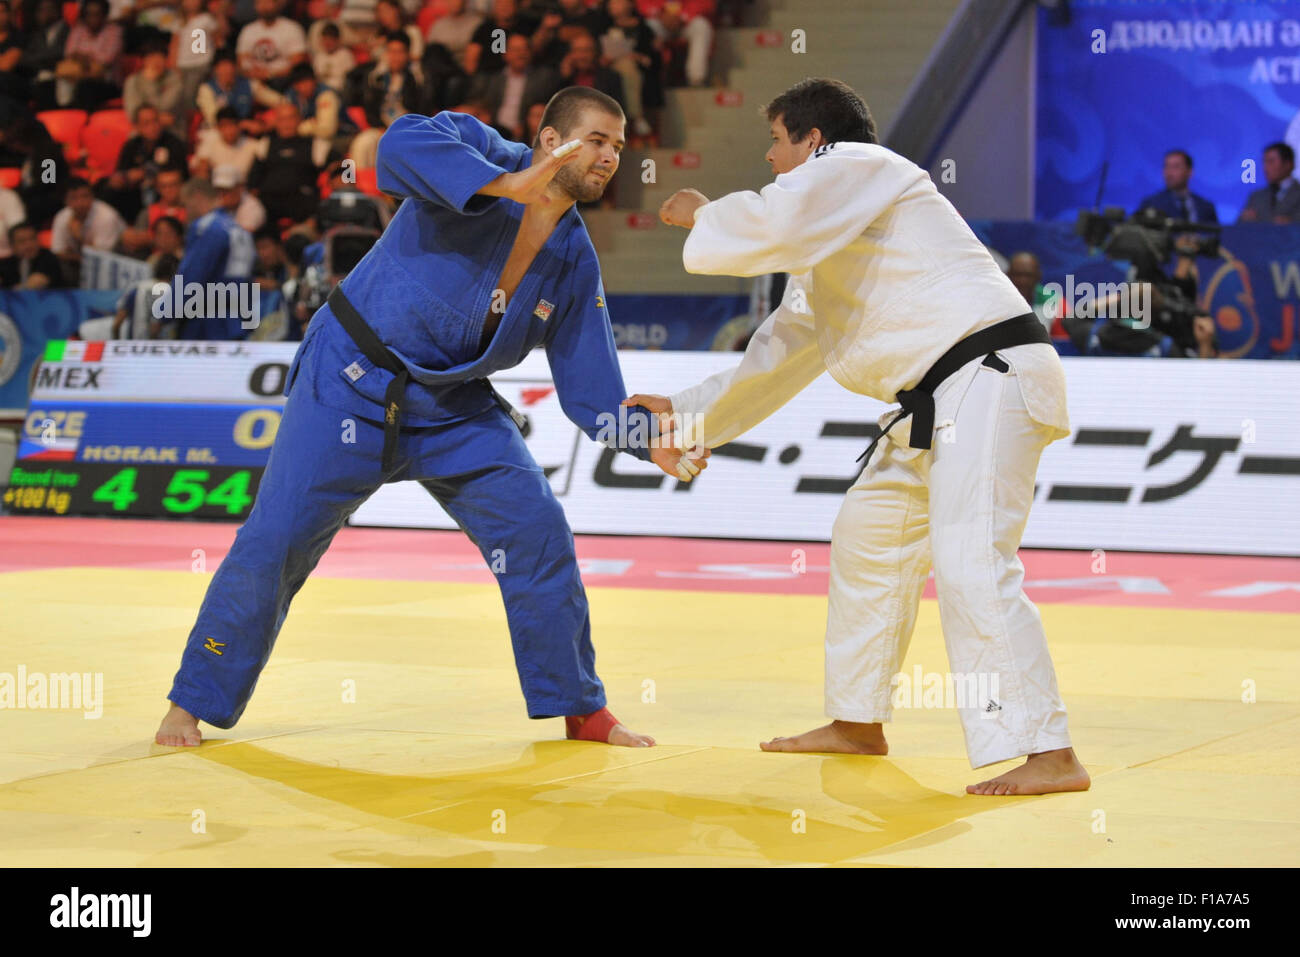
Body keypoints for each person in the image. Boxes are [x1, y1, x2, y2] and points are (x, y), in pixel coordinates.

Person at [154, 86, 704, 750]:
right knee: (277, 540)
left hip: (452, 408)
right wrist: (505, 184)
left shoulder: (573, 260)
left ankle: (580, 707)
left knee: (536, 530)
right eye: (598, 140)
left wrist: (648, 442)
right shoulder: (475, 147)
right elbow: (397, 144)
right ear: (551, 140)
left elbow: (591, 392)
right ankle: (192, 701)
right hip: (350, 380)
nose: (612, 156)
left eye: (619, 146)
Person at [631, 77, 1089, 796]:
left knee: (971, 556)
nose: (770, 157)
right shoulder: (832, 238)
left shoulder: (866, 166)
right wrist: (687, 418)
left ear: (816, 141)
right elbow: (777, 357)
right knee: (868, 535)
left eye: (777, 141)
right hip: (936, 401)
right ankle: (858, 719)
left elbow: (771, 223)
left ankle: (1047, 748)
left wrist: (703, 213)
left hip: (988, 376)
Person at [152, 176, 256, 340]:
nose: (186, 212)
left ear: (197, 197)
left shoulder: (206, 228)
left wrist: (163, 313)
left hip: (207, 323)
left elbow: (191, 276)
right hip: (237, 321)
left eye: (186, 205)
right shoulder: (239, 230)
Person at [1136, 149, 1218, 224]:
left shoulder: (1206, 207)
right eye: (1166, 167)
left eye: (1176, 167)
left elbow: (1215, 236)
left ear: (1189, 172)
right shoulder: (1151, 204)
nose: (1169, 173)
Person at [1239, 141, 1300, 224]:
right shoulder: (1257, 197)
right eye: (1265, 162)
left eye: (1271, 161)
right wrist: (1245, 219)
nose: (1265, 168)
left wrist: (1292, 223)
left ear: (1288, 164)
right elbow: (1237, 230)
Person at [0, 220, 65, 288]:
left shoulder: (49, 258)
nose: (29, 245)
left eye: (32, 239)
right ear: (12, 245)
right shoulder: (7, 264)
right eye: (22, 241)